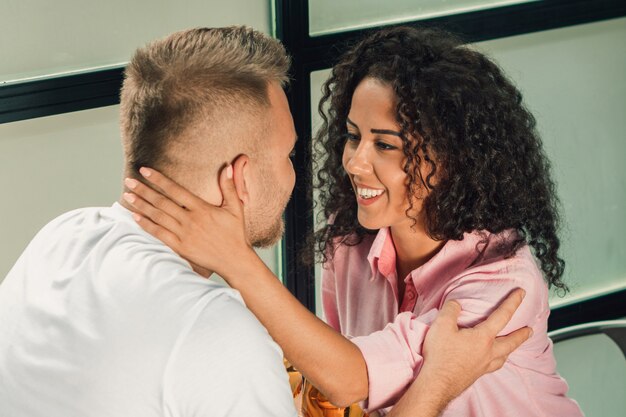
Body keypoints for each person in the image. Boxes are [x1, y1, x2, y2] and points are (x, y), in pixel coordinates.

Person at [0, 26, 528, 417]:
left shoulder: (59, 236)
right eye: (289, 156)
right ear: (242, 177)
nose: (343, 165)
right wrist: (438, 383)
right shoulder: (217, 333)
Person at [124, 26, 584, 416]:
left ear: (450, 159)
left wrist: (234, 258)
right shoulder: (350, 244)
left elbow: (350, 380)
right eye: (352, 136)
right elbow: (341, 382)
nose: (354, 162)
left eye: (385, 145)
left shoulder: (502, 284)